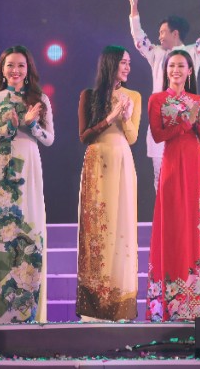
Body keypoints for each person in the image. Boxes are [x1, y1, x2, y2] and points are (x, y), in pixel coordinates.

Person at [0, 45, 55, 323]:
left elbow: (49, 139)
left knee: (29, 230)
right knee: (4, 233)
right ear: (2, 70)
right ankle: (1, 314)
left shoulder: (40, 99)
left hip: (29, 164)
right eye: (10, 65)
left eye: (21, 65)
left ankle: (28, 310)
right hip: (3, 167)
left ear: (28, 70)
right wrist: (10, 127)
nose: (15, 70)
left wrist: (32, 125)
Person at [76, 45, 141, 322]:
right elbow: (84, 136)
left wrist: (125, 119)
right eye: (123, 62)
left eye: (129, 63)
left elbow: (133, 137)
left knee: (121, 227)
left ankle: (119, 305)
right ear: (110, 64)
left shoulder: (134, 96)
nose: (127, 67)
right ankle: (95, 306)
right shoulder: (89, 96)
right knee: (96, 227)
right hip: (96, 162)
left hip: (122, 161)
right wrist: (109, 118)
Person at [146, 49, 200, 321]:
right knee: (172, 228)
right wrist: (187, 121)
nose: (175, 70)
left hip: (196, 166)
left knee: (195, 229)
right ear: (166, 70)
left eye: (181, 66)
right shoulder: (157, 99)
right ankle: (169, 303)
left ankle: (196, 303)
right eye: (171, 65)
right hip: (172, 165)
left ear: (189, 71)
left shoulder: (199, 100)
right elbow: (158, 135)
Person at [127, 0, 200, 191]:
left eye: (162, 32)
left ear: (175, 34)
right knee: (162, 184)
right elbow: (139, 38)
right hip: (163, 125)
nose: (159, 37)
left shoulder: (193, 52)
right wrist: (134, 8)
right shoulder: (157, 54)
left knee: (190, 184)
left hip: (189, 127)